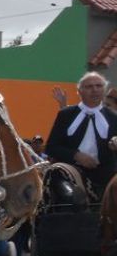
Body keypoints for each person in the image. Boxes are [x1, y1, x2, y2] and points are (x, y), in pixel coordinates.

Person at [45, 72, 117, 200]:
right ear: (80, 91)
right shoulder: (66, 114)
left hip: (105, 176)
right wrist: (76, 155)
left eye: (99, 86)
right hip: (69, 173)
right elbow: (51, 147)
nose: (94, 90)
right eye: (89, 87)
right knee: (69, 195)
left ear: (104, 90)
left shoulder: (113, 118)